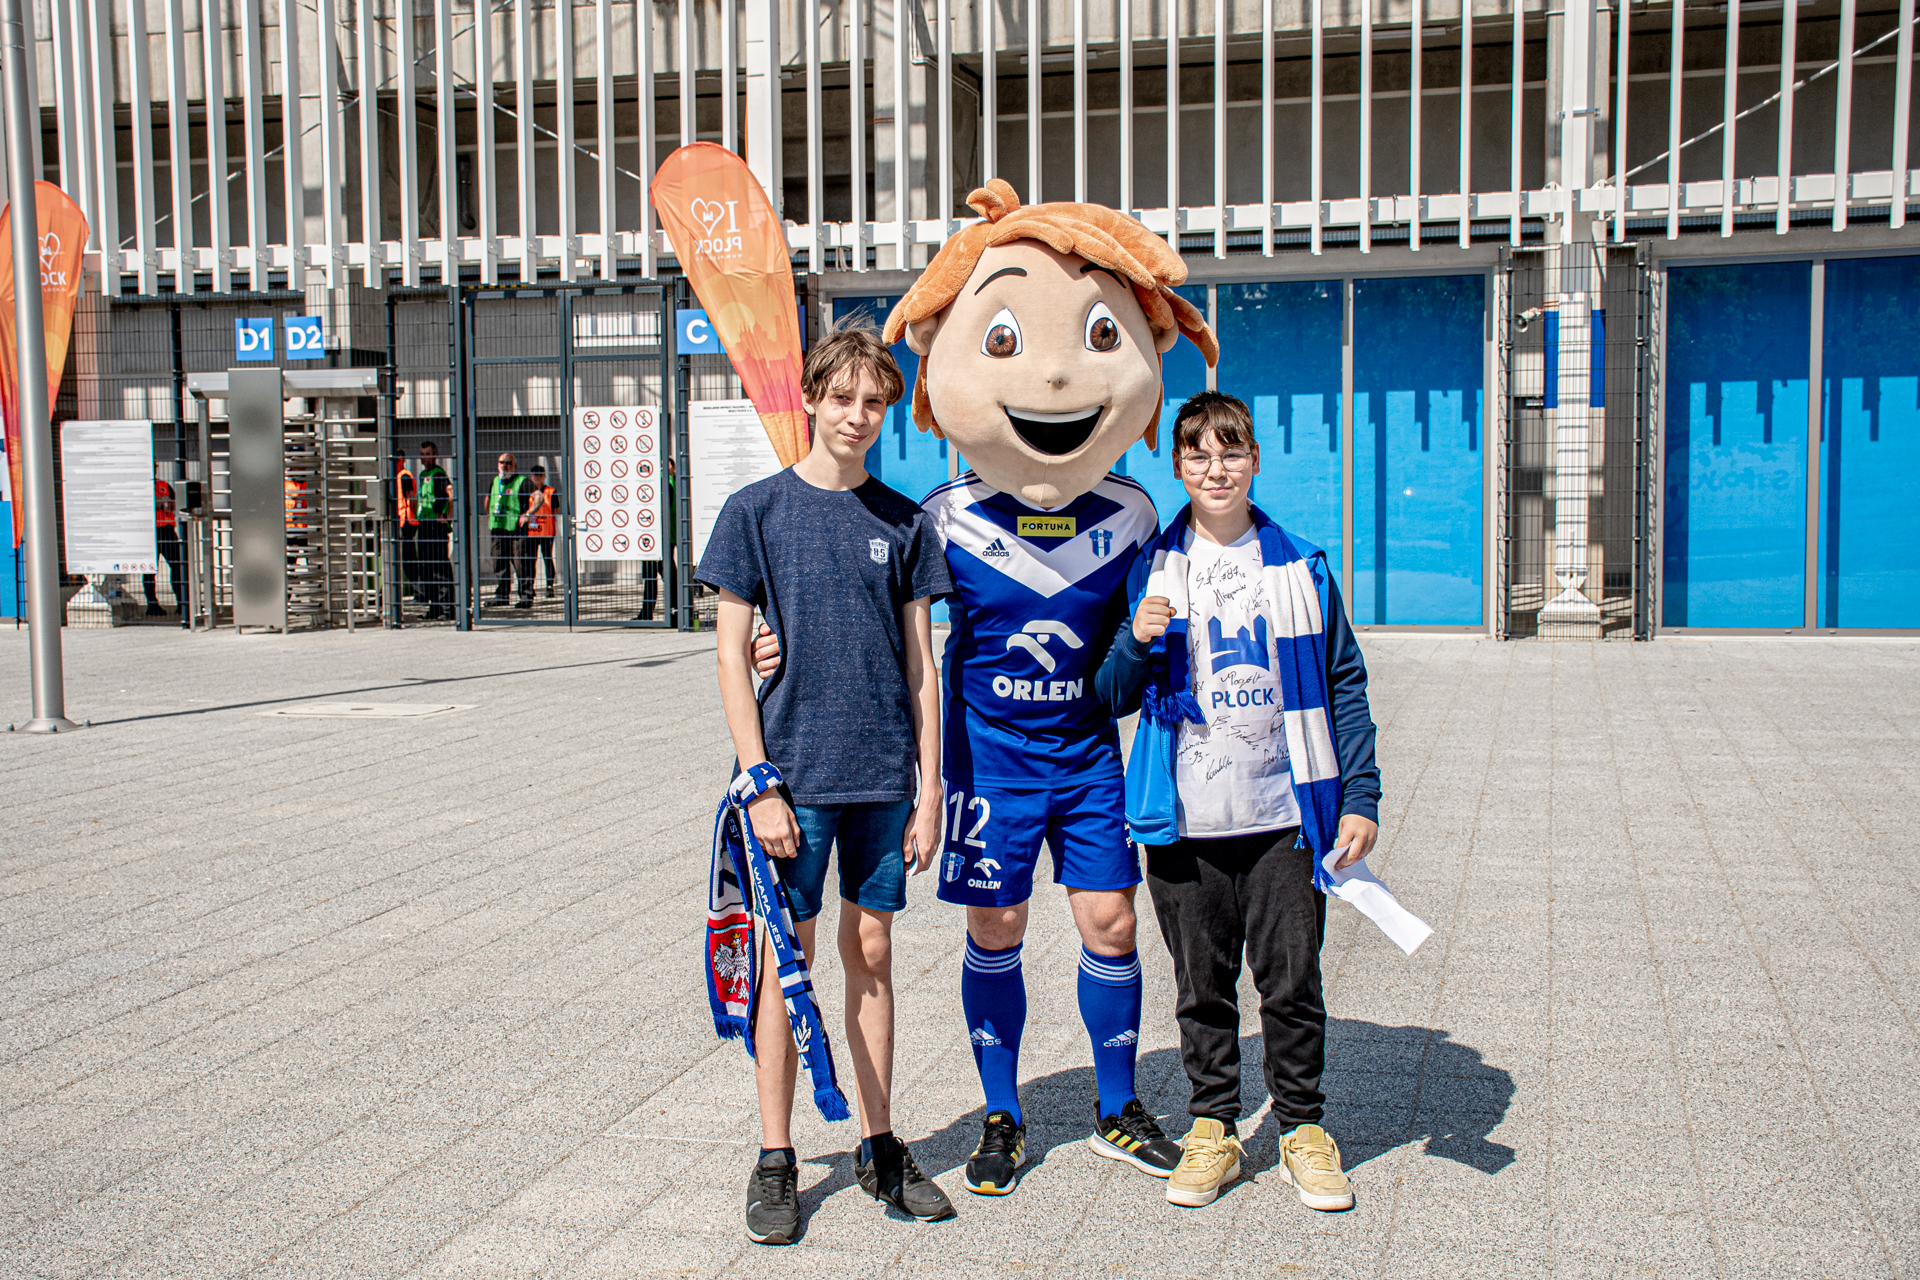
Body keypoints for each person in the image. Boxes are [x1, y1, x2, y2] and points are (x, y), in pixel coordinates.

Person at [750, 180, 1218, 1198]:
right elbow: (890, 634)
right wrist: (776, 646)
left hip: (1085, 757)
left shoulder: (1132, 511)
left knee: (1111, 923)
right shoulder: (942, 515)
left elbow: (1141, 649)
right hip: (986, 759)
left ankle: (1116, 1105)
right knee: (995, 928)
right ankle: (1002, 1114)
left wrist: (1155, 661)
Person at [697, 321, 957, 1246]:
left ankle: (880, 1145)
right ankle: (776, 1155)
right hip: (794, 778)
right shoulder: (756, 512)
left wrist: (931, 788)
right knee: (788, 959)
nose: (856, 415)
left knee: (873, 951)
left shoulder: (905, 522)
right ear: (810, 398)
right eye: (842, 397)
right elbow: (731, 657)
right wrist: (760, 782)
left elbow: (923, 668)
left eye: (874, 402)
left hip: (882, 777)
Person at [1095, 392, 1381, 1212]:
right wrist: (1137, 640)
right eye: (1199, 455)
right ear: (1178, 466)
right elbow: (1109, 694)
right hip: (1183, 822)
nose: (1215, 469)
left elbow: (1344, 682)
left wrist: (1359, 795)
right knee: (1202, 987)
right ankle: (1213, 1127)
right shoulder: (1150, 569)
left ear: (1254, 460)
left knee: (1291, 985)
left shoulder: (1300, 566)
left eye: (1230, 452)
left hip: (1286, 817)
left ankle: (1302, 1129)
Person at [487, 451, 531, 608]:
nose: (504, 466)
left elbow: (538, 497)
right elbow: (489, 499)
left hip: (516, 530)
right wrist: (490, 516)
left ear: (515, 466)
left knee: (520, 564)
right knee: (499, 562)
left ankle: (526, 596)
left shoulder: (522, 481)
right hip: (498, 528)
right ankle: (502, 595)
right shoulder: (495, 481)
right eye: (502, 462)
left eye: (508, 463)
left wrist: (527, 514)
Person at [415, 441, 453, 620]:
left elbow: (450, 492)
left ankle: (447, 608)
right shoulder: (423, 474)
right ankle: (434, 607)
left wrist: (447, 515)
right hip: (423, 524)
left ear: (435, 455)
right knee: (427, 568)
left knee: (439, 567)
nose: (425, 458)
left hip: (435, 525)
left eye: (428, 454)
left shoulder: (439, 474)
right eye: (422, 454)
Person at [143, 475, 186, 620]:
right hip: (150, 531)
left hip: (167, 529)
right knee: (149, 569)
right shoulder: (140, 486)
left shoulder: (164, 485)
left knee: (177, 566)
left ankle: (182, 601)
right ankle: (152, 604)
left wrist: (167, 504)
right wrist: (159, 502)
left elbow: (176, 502)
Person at [524, 463, 559, 599]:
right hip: (531, 532)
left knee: (547, 558)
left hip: (546, 532)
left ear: (544, 476)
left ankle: (549, 586)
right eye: (535, 476)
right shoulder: (527, 491)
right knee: (530, 560)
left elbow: (555, 510)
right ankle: (530, 587)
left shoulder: (550, 491)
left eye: (540, 475)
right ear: (531, 477)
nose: (537, 478)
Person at [396, 450, 422, 604]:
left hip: (407, 521)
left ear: (402, 459)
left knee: (410, 559)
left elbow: (411, 497)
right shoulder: (397, 475)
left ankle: (419, 593)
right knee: (407, 559)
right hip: (403, 521)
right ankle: (418, 592)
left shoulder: (404, 475)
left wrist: (412, 517)